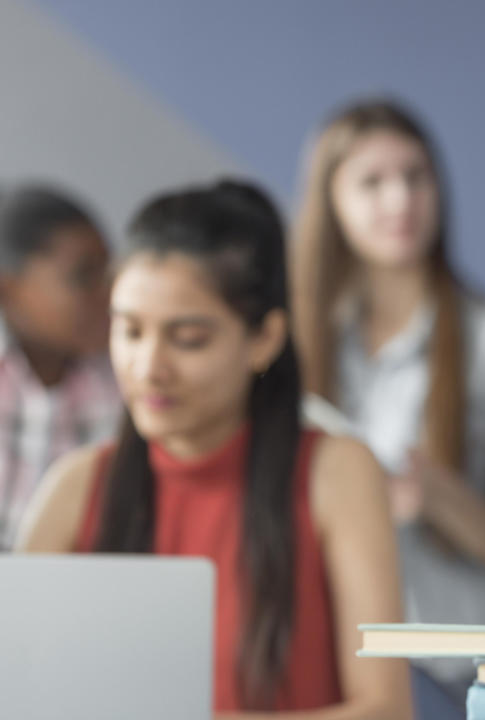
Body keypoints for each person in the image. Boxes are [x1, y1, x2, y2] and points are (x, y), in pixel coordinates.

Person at [17, 180, 411, 719]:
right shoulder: (76, 486)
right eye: (129, 331)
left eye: (188, 339)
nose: (149, 367)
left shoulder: (335, 472)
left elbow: (385, 709)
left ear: (264, 340)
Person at [291, 99, 485, 714]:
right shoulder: (301, 349)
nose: (400, 200)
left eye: (415, 176)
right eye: (372, 183)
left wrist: (431, 492)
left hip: (467, 670)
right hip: (342, 669)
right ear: (329, 202)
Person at [0, 185, 117, 551]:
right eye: (85, 277)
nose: (108, 296)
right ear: (8, 287)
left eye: (108, 276)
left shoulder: (125, 382)